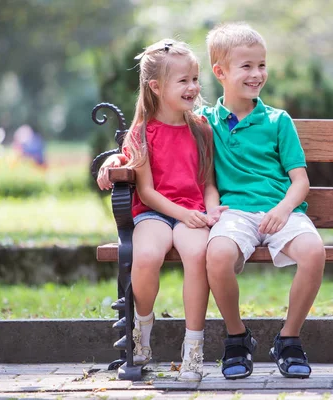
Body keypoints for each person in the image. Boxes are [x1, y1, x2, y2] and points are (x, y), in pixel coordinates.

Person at [96, 38, 226, 382]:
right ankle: (142, 327)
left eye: (195, 79)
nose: (193, 87)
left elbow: (209, 183)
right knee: (147, 255)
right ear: (156, 86)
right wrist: (115, 159)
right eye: (183, 81)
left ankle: (194, 349)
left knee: (198, 254)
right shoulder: (142, 132)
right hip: (154, 212)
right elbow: (149, 192)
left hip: (193, 210)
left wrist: (211, 212)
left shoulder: (201, 129)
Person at [202, 22, 326, 380]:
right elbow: (207, 179)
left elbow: (300, 181)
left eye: (262, 65)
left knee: (314, 252)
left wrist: (283, 209)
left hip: (280, 209)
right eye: (247, 66)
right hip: (234, 212)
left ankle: (288, 339)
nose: (257, 74)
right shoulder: (206, 123)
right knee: (218, 255)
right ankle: (237, 337)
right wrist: (212, 208)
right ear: (220, 72)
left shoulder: (277, 120)